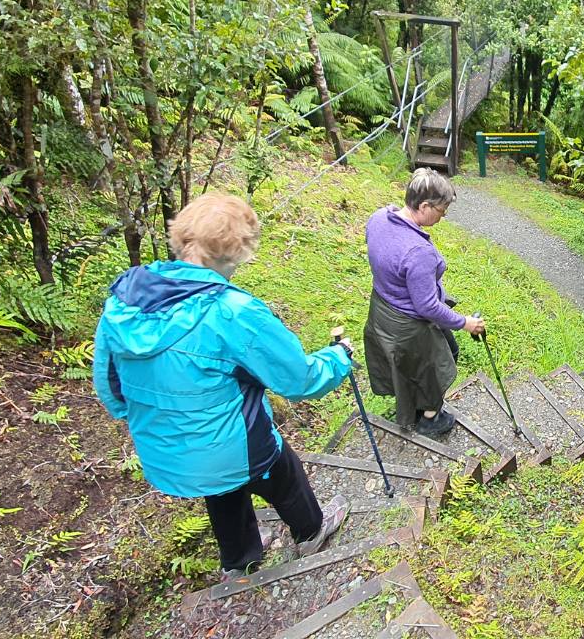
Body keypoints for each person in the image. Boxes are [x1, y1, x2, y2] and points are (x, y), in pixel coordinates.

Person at [92, 194, 354, 579]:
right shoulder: (232, 312)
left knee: (222, 490)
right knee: (281, 472)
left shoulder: (126, 299)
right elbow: (298, 380)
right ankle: (312, 531)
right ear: (238, 251)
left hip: (165, 449)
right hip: (232, 448)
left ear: (182, 236)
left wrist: (147, 419)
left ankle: (240, 561)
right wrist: (339, 358)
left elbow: (109, 382)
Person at [363, 168, 485, 437]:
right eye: (441, 210)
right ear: (424, 205)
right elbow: (427, 306)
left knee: (411, 365)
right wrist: (466, 323)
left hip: (382, 311)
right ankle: (429, 418)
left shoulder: (379, 218)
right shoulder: (418, 252)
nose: (443, 216)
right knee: (436, 364)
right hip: (409, 325)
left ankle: (414, 404)